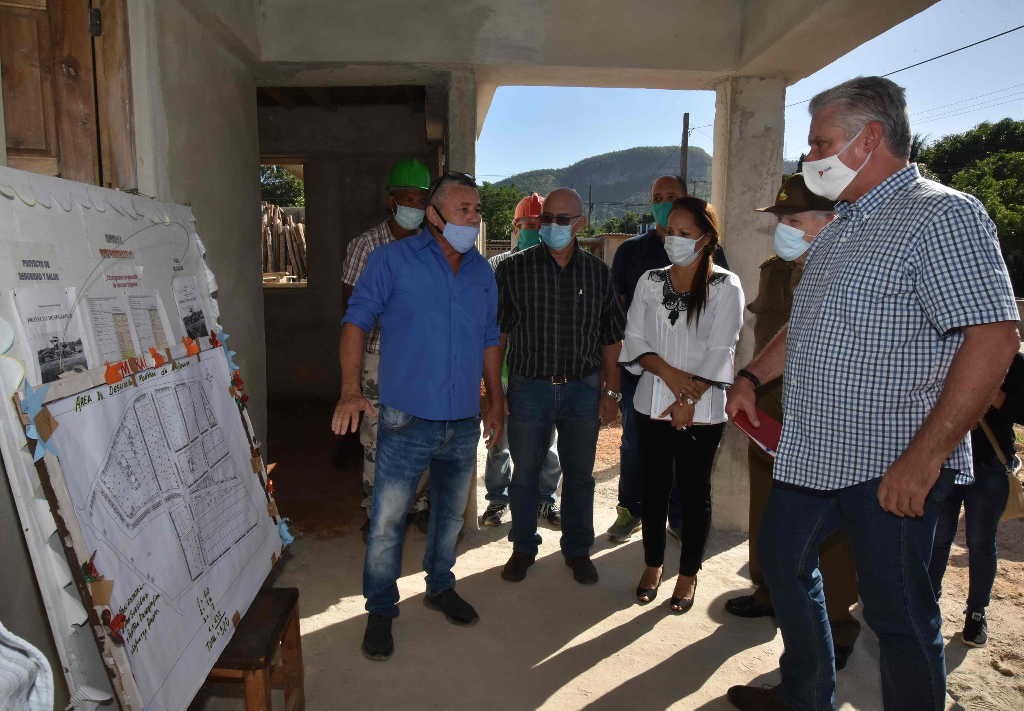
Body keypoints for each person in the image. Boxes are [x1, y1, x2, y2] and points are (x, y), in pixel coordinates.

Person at [725, 76, 1019, 711]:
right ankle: (806, 694)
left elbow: (994, 338)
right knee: (781, 564)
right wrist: (751, 378)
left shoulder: (943, 215)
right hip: (815, 454)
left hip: (892, 464)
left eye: (820, 142)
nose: (811, 158)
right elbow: (802, 326)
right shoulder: (841, 227)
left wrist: (925, 457)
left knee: (898, 616)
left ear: (871, 139)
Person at [333, 172, 505, 662]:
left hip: (461, 420)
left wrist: (496, 400)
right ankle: (382, 609)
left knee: (449, 516)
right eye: (464, 209)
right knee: (388, 522)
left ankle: (440, 585)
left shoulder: (481, 273)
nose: (474, 218)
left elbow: (491, 338)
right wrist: (349, 390)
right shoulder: (391, 261)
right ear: (434, 216)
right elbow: (356, 321)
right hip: (406, 418)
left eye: (477, 209)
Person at [725, 173, 862, 669]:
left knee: (832, 528)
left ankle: (839, 623)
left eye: (794, 220)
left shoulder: (851, 274)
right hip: (771, 410)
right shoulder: (776, 270)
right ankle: (768, 592)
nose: (784, 228)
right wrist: (750, 386)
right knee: (769, 507)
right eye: (780, 220)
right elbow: (770, 336)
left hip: (829, 419)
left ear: (831, 222)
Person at [496, 187, 626, 584]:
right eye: (545, 219)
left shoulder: (598, 274)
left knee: (580, 475)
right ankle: (522, 546)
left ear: (581, 224)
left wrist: (611, 393)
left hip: (581, 390)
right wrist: (493, 393)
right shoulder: (513, 271)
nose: (551, 226)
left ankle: (577, 549)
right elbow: (497, 336)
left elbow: (611, 339)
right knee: (525, 474)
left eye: (561, 220)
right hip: (529, 388)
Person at [620, 197, 743, 612]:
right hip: (652, 400)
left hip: (704, 410)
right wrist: (671, 379)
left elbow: (722, 348)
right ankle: (653, 564)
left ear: (706, 238)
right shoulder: (650, 281)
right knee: (653, 489)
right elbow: (635, 339)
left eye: (684, 233)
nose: (673, 239)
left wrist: (688, 398)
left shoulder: (726, 286)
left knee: (694, 493)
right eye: (669, 231)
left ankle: (688, 573)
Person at [608, 175, 730, 543]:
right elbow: (617, 314)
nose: (663, 203)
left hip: (692, 379)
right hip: (642, 370)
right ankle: (631, 509)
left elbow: (720, 319)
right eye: (656, 197)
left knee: (685, 447)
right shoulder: (631, 251)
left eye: (671, 197)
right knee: (634, 445)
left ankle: (677, 517)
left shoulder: (711, 254)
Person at [341, 158, 432, 537]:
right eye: (407, 199)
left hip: (424, 359)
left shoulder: (434, 247)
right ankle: (377, 509)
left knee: (424, 433)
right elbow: (351, 311)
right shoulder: (366, 246)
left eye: (421, 200)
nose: (415, 207)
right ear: (391, 201)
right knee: (378, 437)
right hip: (379, 358)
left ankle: (420, 504)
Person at [930, 352, 1024, 648]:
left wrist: (989, 392)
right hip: (945, 460)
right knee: (939, 536)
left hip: (989, 465)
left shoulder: (1013, 362)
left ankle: (976, 612)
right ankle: (927, 600)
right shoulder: (947, 350)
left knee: (981, 542)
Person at [482, 193, 563, 528]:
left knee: (547, 442)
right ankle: (497, 501)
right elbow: (488, 324)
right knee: (498, 441)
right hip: (503, 370)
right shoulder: (496, 266)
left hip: (541, 372)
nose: (532, 229)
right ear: (515, 227)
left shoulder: (558, 267)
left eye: (538, 223)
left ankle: (547, 500)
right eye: (526, 224)